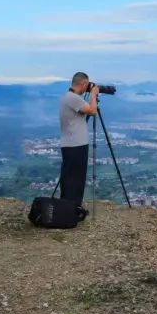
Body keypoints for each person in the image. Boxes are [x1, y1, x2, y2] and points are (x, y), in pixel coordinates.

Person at [59, 72, 98, 220]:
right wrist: (93, 95)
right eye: (87, 85)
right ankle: (69, 211)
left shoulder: (70, 98)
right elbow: (93, 111)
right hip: (75, 145)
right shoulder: (72, 98)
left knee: (74, 179)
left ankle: (71, 209)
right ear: (83, 83)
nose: (87, 88)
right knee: (74, 180)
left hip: (73, 144)